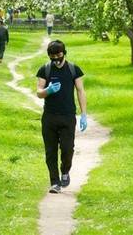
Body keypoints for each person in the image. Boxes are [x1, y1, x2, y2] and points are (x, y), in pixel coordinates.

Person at [36, 39, 87, 194]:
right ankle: (54, 182)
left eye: (58, 54)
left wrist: (84, 114)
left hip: (68, 116)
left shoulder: (73, 70)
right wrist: (48, 91)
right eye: (52, 56)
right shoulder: (45, 70)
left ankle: (65, 171)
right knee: (50, 151)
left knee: (67, 149)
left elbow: (80, 91)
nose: (56, 59)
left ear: (64, 53)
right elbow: (39, 92)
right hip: (50, 116)